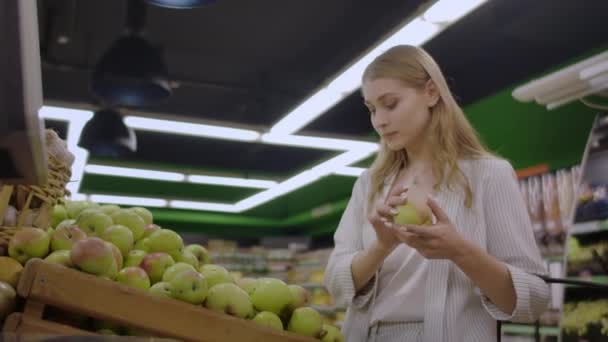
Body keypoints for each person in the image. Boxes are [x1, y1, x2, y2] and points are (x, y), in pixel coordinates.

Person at [324, 45, 550, 342]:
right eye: (372, 109)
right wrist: (380, 246)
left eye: (390, 104)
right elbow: (335, 284)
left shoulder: (488, 176)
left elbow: (534, 299)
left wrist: (460, 251)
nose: (379, 121)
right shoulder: (370, 184)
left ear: (431, 92)